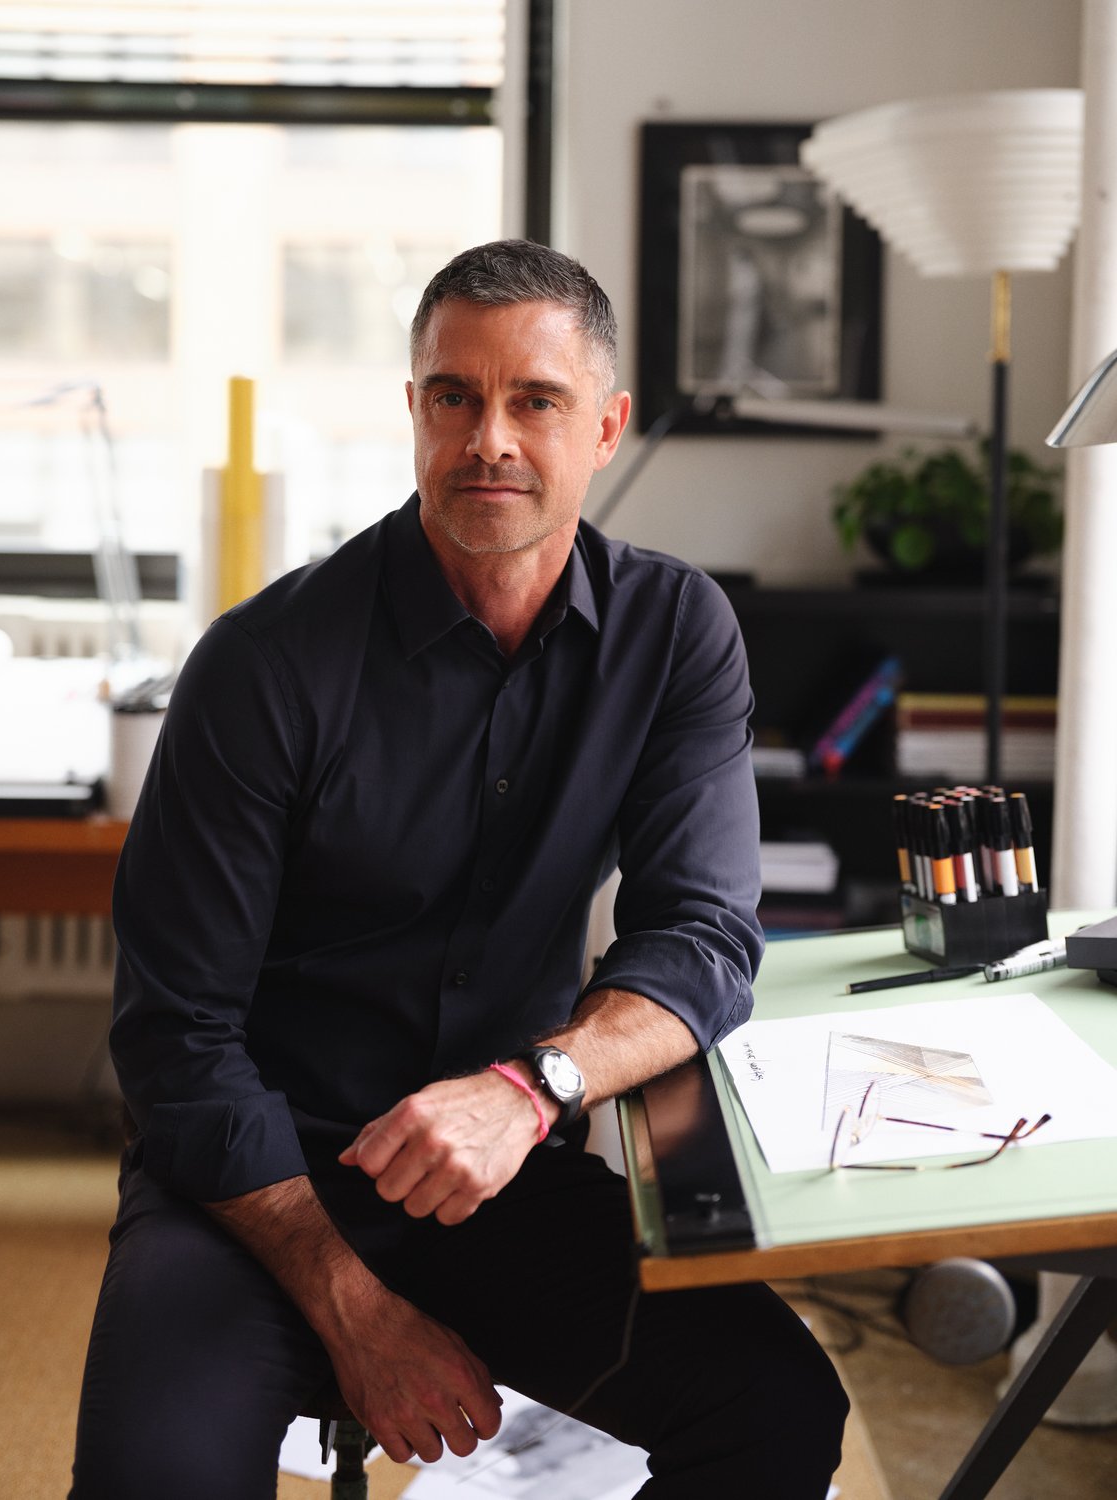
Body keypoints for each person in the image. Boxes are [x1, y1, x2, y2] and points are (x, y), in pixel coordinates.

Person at [69, 239, 847, 1499]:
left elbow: (702, 942)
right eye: (455, 396)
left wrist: (532, 1088)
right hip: (256, 1181)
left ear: (605, 427)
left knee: (780, 1413)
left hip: (503, 1171)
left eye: (534, 400)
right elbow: (175, 1036)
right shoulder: (263, 665)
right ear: (417, 412)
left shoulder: (674, 633)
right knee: (149, 1477)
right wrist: (353, 1308)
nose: (490, 436)